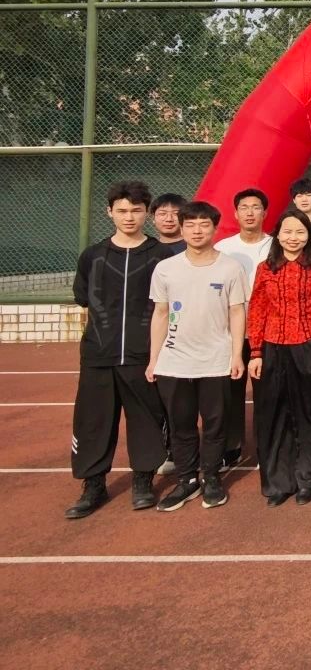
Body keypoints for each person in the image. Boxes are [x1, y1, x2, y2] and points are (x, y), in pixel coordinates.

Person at [64, 181, 170, 519]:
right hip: (99, 354)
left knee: (147, 419)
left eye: (136, 211)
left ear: (147, 214)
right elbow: (83, 298)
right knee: (93, 422)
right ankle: (93, 485)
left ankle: (143, 481)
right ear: (109, 212)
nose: (129, 217)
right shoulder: (93, 256)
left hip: (143, 356)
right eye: (122, 211)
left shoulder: (162, 256)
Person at [146, 201, 248, 511]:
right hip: (174, 361)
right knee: (181, 424)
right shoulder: (166, 268)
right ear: (182, 228)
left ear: (215, 228)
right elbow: (161, 313)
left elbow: (237, 312)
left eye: (204, 224)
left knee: (215, 423)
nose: (197, 230)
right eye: (190, 225)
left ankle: (211, 478)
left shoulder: (230, 267)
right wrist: (154, 358)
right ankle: (187, 479)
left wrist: (236, 355)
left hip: (216, 359)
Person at [245, 209, 311, 506]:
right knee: (274, 415)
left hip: (310, 343)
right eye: (287, 232)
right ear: (277, 235)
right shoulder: (265, 268)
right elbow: (257, 309)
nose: (293, 238)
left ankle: (309, 477)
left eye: (300, 232)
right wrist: (256, 352)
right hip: (272, 347)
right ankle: (279, 482)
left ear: (309, 236)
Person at [213, 188, 273, 471]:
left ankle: (267, 447)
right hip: (230, 332)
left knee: (268, 393)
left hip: (268, 331)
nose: (250, 213)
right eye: (244, 208)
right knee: (229, 392)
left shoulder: (276, 246)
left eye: (256, 207)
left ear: (265, 213)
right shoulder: (224, 248)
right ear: (235, 214)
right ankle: (231, 447)